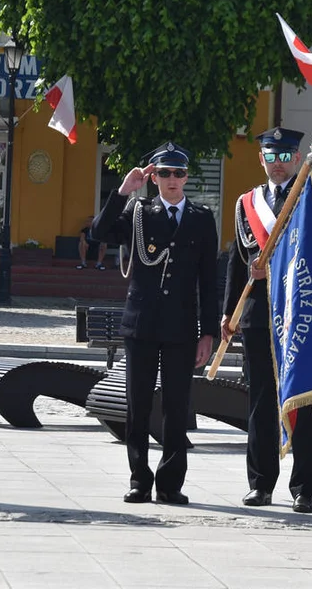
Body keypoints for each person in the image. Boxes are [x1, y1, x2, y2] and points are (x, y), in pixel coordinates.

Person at [91, 142, 218, 505]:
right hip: (142, 323)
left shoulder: (201, 217)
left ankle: (171, 483)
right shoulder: (138, 211)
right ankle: (139, 479)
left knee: (178, 407)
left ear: (187, 176)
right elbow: (99, 232)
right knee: (138, 405)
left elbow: (208, 280)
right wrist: (122, 191)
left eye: (178, 173)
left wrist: (207, 331)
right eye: (164, 173)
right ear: (154, 176)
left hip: (181, 327)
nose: (172, 180)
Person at [221, 126, 312, 513]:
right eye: (272, 156)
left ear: (297, 158)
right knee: (261, 403)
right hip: (257, 315)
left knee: (305, 401)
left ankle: (304, 488)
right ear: (261, 159)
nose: (280, 164)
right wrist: (227, 311)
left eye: (287, 156)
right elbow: (237, 262)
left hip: (300, 312)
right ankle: (261, 483)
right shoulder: (246, 203)